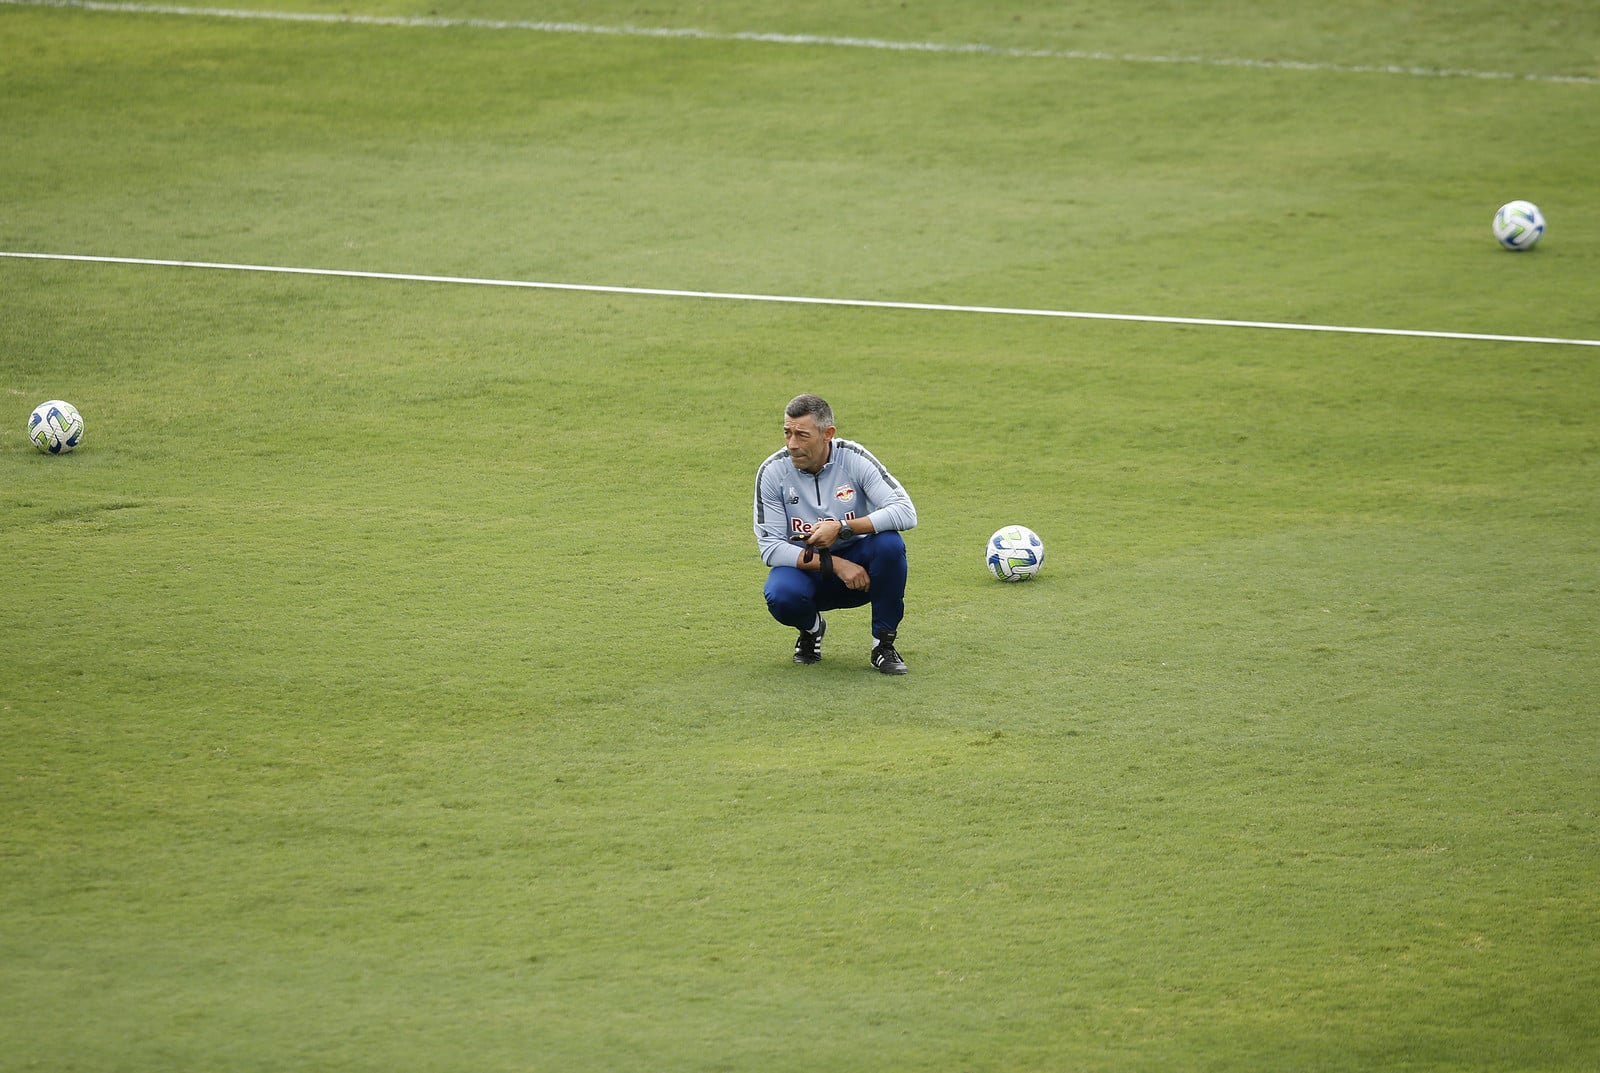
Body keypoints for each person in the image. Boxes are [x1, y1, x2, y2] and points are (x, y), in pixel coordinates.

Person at [753, 394, 917, 674]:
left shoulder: (854, 459)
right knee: (781, 594)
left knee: (890, 544)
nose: (792, 444)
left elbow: (905, 512)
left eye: (802, 435)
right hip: (809, 571)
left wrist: (843, 528)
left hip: (863, 574)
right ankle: (811, 630)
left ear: (828, 434)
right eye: (787, 433)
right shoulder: (772, 472)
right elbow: (770, 547)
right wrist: (837, 565)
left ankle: (883, 645)